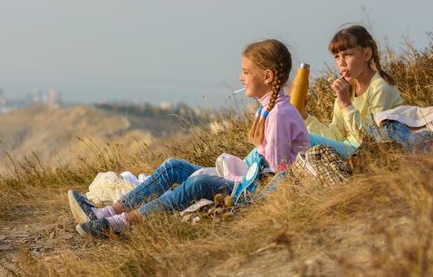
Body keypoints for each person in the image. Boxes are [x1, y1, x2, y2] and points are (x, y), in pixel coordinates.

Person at [68, 39, 310, 237]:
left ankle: (118, 224)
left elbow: (276, 174)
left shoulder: (278, 115)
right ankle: (106, 212)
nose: (240, 78)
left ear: (267, 76)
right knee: (174, 166)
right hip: (249, 180)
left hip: (254, 191)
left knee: (199, 184)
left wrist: (233, 176)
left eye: (246, 72)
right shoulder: (268, 109)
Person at [304, 25, 403, 159]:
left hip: (369, 154)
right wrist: (305, 117)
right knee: (299, 140)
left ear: (366, 55)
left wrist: (345, 103)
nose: (341, 63)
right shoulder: (347, 89)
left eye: (348, 55)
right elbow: (335, 135)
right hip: (349, 149)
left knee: (302, 140)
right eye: (337, 57)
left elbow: (369, 140)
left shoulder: (380, 87)